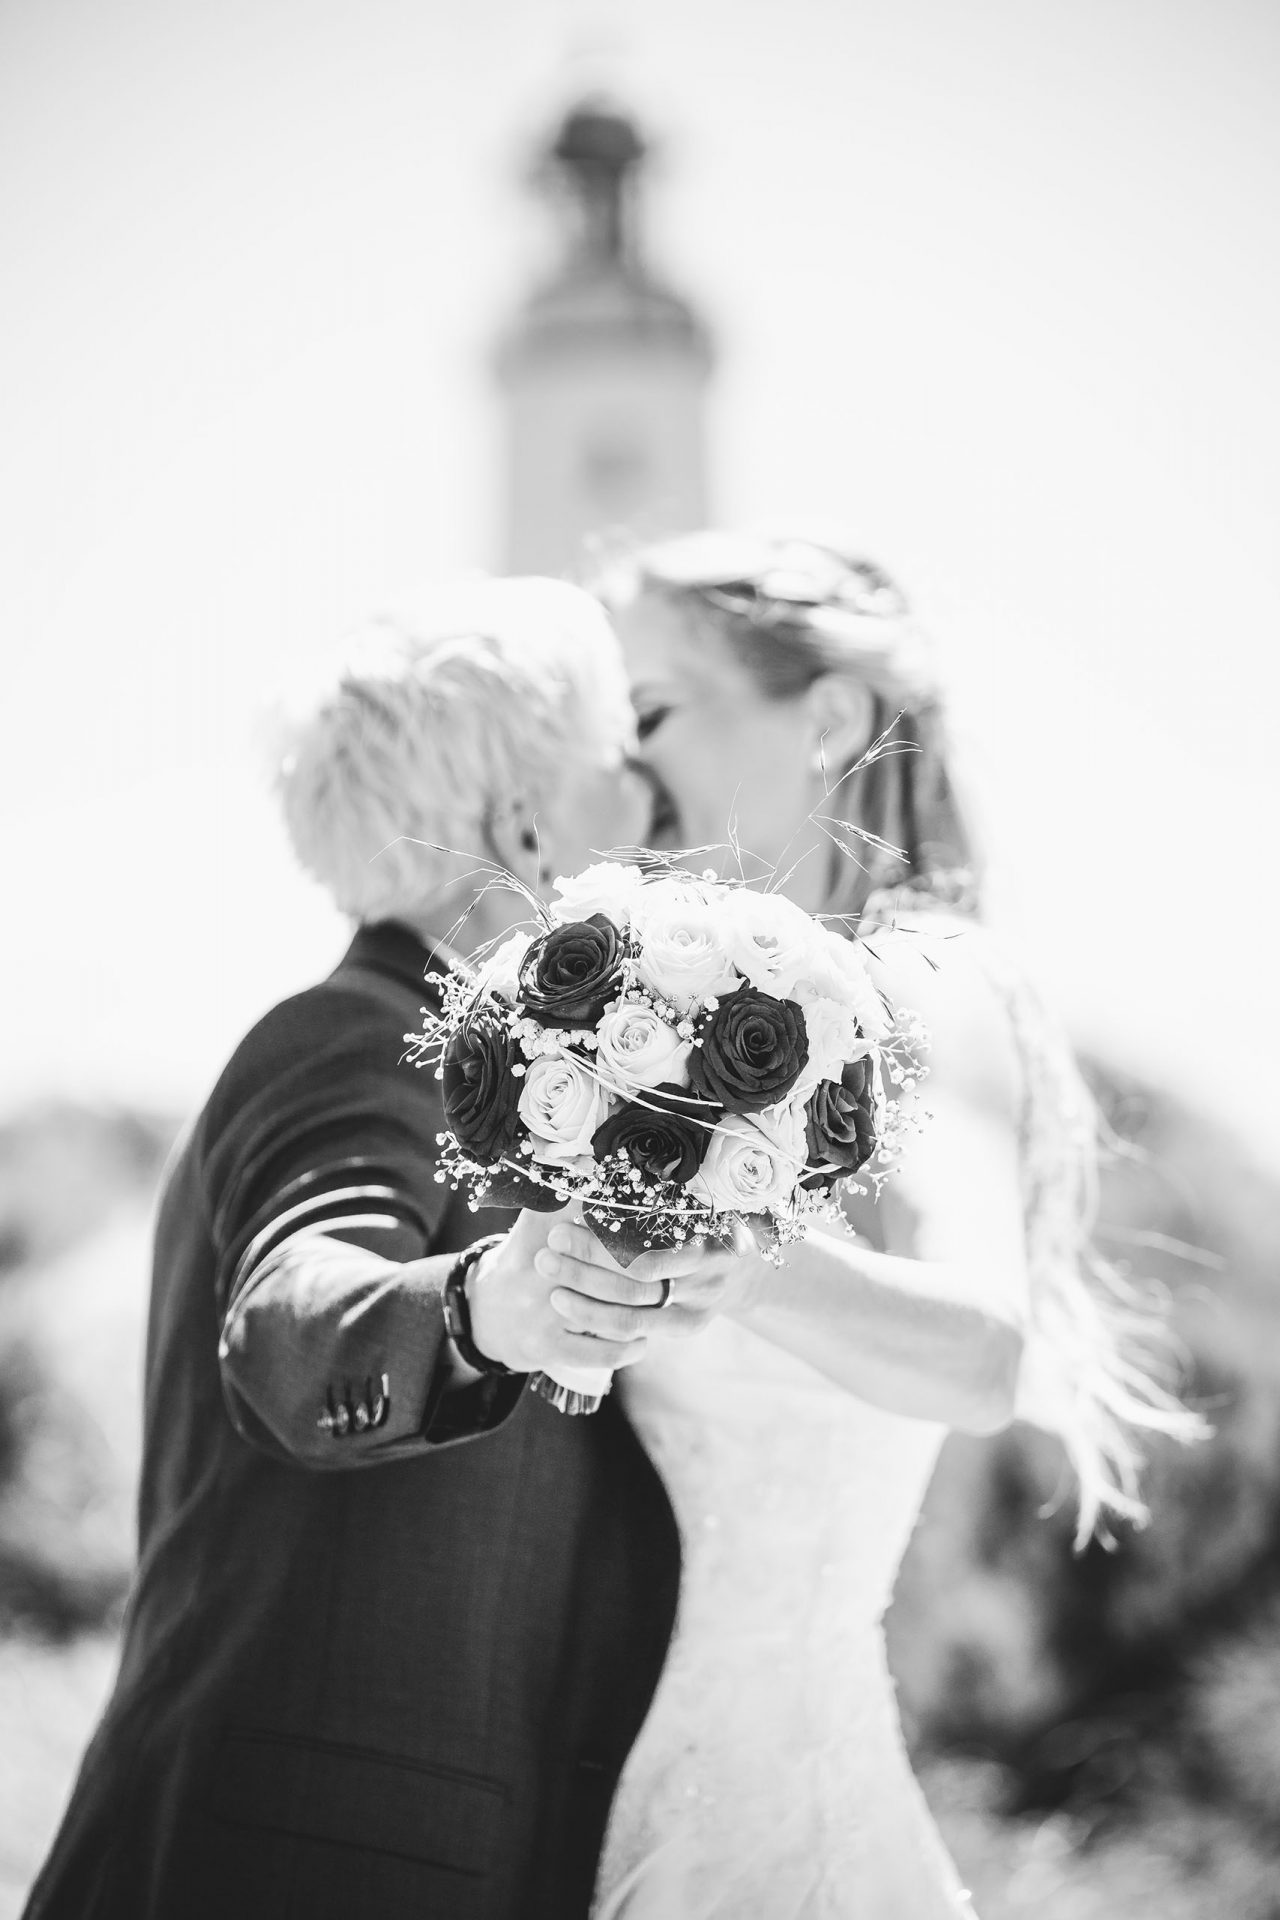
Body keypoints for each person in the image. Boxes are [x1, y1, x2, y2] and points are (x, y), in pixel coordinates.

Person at [22, 579, 737, 1920]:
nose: (655, 811)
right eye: (620, 774)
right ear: (527, 826)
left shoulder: (514, 1084)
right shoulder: (356, 1038)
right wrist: (480, 1309)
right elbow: (295, 1318)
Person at [582, 530, 1200, 1920]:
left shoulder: (911, 1006)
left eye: (655, 711)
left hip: (767, 1831)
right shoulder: (634, 1033)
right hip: (576, 1795)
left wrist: (748, 1258)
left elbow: (987, 1359)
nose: (622, 770)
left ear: (833, 718)